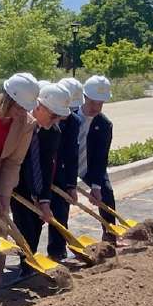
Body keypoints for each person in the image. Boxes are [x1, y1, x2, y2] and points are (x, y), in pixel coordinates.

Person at [0, 73, 39, 279]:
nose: (21, 113)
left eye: (25, 109)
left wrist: (4, 196)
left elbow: (14, 162)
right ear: (7, 99)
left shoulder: (27, 123)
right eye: (18, 107)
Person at [11, 83, 72, 264]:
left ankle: (28, 264)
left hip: (35, 184)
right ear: (39, 107)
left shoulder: (53, 132)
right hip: (14, 181)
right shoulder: (20, 125)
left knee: (37, 222)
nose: (55, 121)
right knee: (24, 225)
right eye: (53, 116)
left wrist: (44, 200)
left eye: (59, 117)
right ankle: (21, 263)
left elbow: (47, 166)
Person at [47, 78, 86, 261]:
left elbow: (72, 154)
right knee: (37, 217)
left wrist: (71, 184)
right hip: (43, 170)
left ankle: (57, 251)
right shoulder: (46, 113)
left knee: (61, 212)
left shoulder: (74, 121)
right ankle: (27, 259)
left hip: (61, 172)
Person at [77, 76, 116, 239]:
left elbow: (101, 158)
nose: (96, 107)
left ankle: (110, 234)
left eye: (100, 103)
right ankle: (58, 248)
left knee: (106, 192)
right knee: (60, 203)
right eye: (92, 102)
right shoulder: (68, 115)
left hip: (89, 165)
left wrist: (96, 187)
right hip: (66, 163)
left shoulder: (105, 125)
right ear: (84, 97)